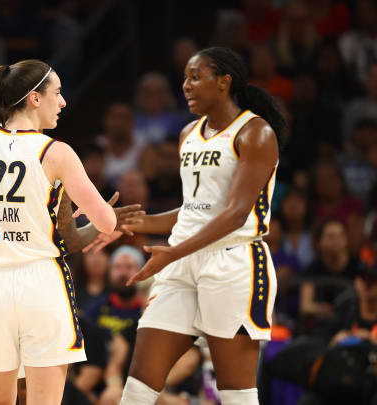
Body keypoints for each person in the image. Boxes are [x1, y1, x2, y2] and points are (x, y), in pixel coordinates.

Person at [0, 59, 116, 405]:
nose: (63, 102)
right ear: (34, 98)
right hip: (40, 283)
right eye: (57, 93)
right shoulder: (56, 151)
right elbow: (107, 222)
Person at [116, 46, 285, 405]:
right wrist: (136, 224)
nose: (186, 86)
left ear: (224, 82)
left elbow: (237, 213)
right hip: (181, 262)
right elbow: (195, 209)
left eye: (196, 77)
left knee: (236, 393)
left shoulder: (255, 133)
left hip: (233, 263)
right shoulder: (188, 133)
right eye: (185, 78)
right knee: (137, 387)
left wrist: (173, 250)